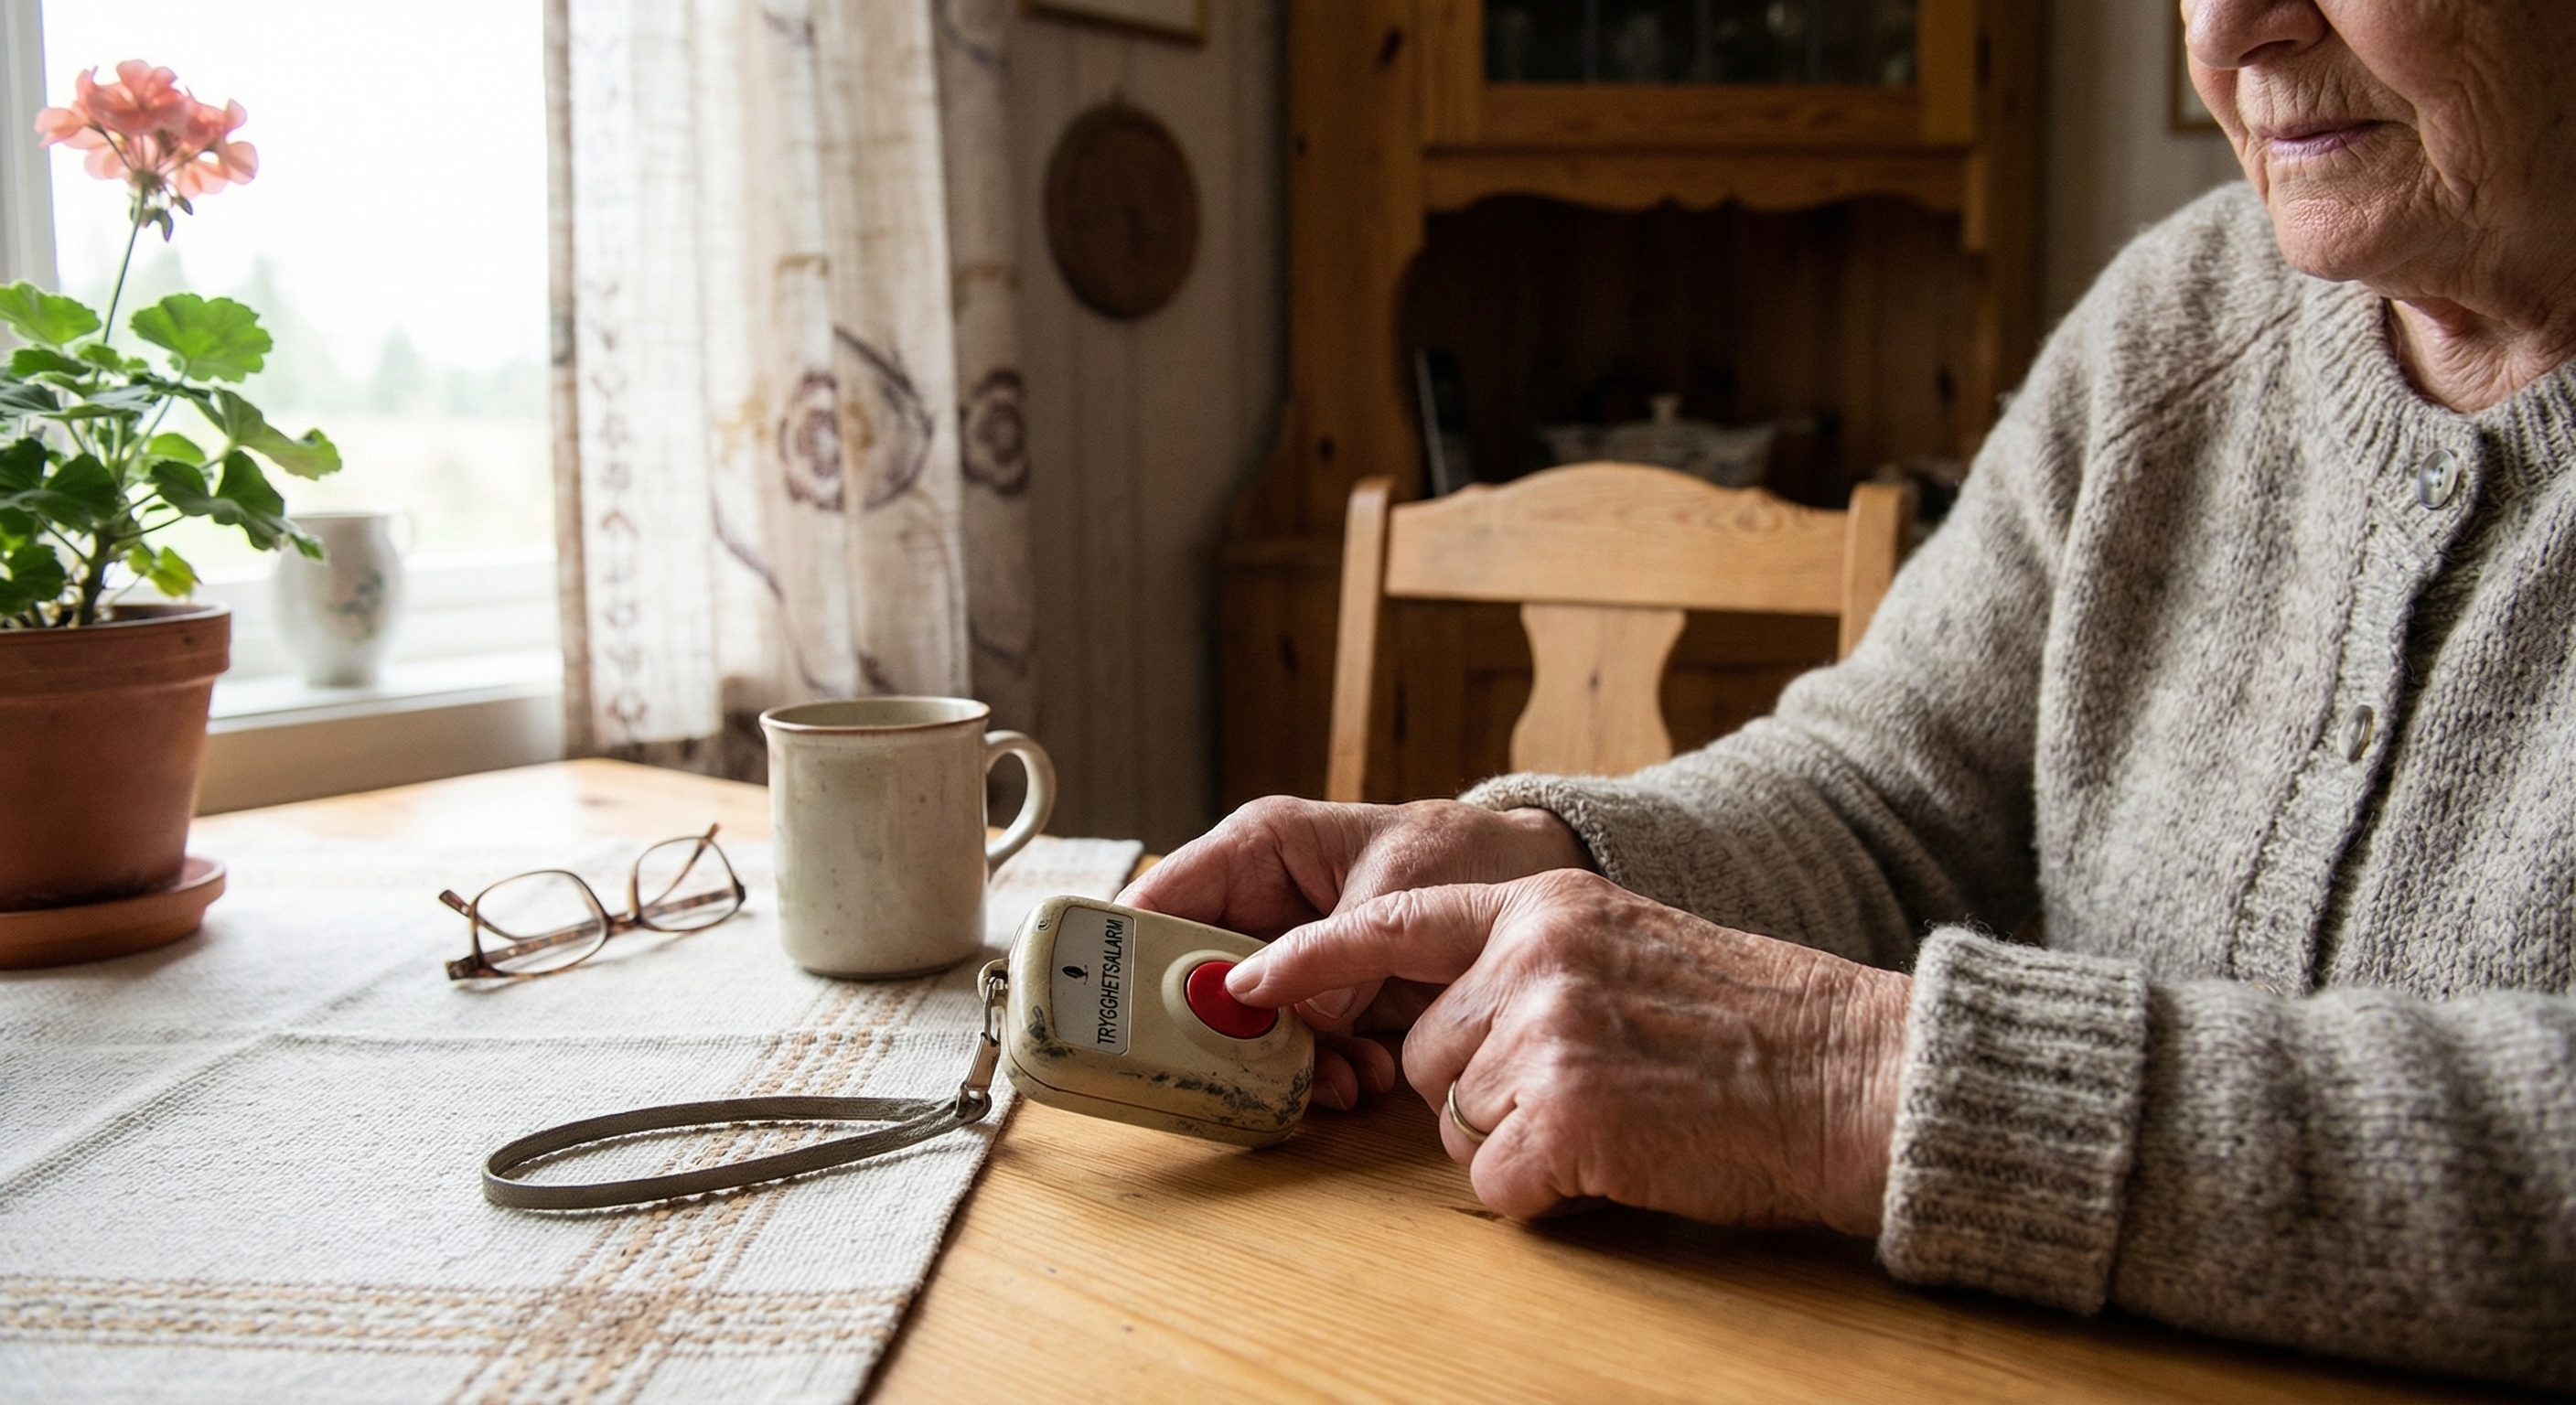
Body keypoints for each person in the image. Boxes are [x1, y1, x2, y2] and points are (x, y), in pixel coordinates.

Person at [1122, 0, 2576, 1389]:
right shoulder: (2180, 317)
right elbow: (1884, 787)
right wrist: (1534, 860)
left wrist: (1857, 1077)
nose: (2222, 33)